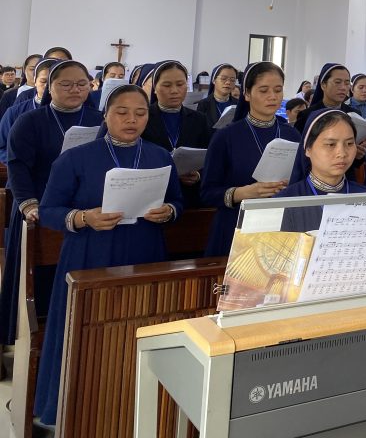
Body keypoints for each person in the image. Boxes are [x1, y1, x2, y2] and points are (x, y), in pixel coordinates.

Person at [33, 84, 183, 426]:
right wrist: (84, 218)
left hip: (145, 252)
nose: (132, 120)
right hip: (90, 255)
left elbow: (177, 200)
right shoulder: (75, 158)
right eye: (122, 112)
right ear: (106, 115)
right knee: (87, 333)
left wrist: (169, 211)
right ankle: (76, 408)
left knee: (140, 326)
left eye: (140, 113)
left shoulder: (160, 156)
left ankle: (131, 404)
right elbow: (49, 210)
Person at [0, 60, 103, 346]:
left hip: (83, 209)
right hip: (39, 207)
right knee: (38, 277)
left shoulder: (99, 119)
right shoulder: (30, 121)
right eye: (65, 84)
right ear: (50, 88)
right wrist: (29, 205)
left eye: (81, 84)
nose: (75, 89)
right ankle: (26, 337)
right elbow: (17, 166)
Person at [200, 63, 299, 256]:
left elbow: (302, 181)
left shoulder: (293, 135)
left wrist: (290, 186)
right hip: (235, 227)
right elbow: (207, 193)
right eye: (264, 90)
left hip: (279, 228)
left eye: (278, 90)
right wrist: (242, 193)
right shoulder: (225, 137)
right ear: (246, 94)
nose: (273, 96)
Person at [277, 109, 366, 232]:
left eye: (349, 143)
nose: (342, 153)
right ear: (308, 149)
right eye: (331, 144)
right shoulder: (283, 202)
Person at [142, 60, 213, 207]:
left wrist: (198, 174)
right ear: (155, 88)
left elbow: (210, 156)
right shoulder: (143, 118)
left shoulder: (199, 119)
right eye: (167, 85)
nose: (174, 91)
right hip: (153, 197)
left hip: (190, 198)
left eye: (180, 84)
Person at [0, 57, 58, 163]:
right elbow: (1, 147)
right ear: (35, 80)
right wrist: (18, 163)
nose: (49, 86)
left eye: (55, 82)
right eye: (44, 81)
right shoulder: (15, 112)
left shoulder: (77, 111)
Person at [296, 63, 356, 133]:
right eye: (337, 82)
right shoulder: (306, 116)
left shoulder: (354, 115)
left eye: (347, 83)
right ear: (323, 85)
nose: (343, 88)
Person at [193, 63, 239, 128]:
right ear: (214, 80)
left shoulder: (238, 104)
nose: (228, 82)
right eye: (223, 78)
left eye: (232, 80)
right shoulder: (202, 105)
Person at [0, 53, 41, 121]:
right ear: (24, 70)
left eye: (40, 69)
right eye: (32, 69)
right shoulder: (9, 95)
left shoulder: (52, 94)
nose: (36, 73)